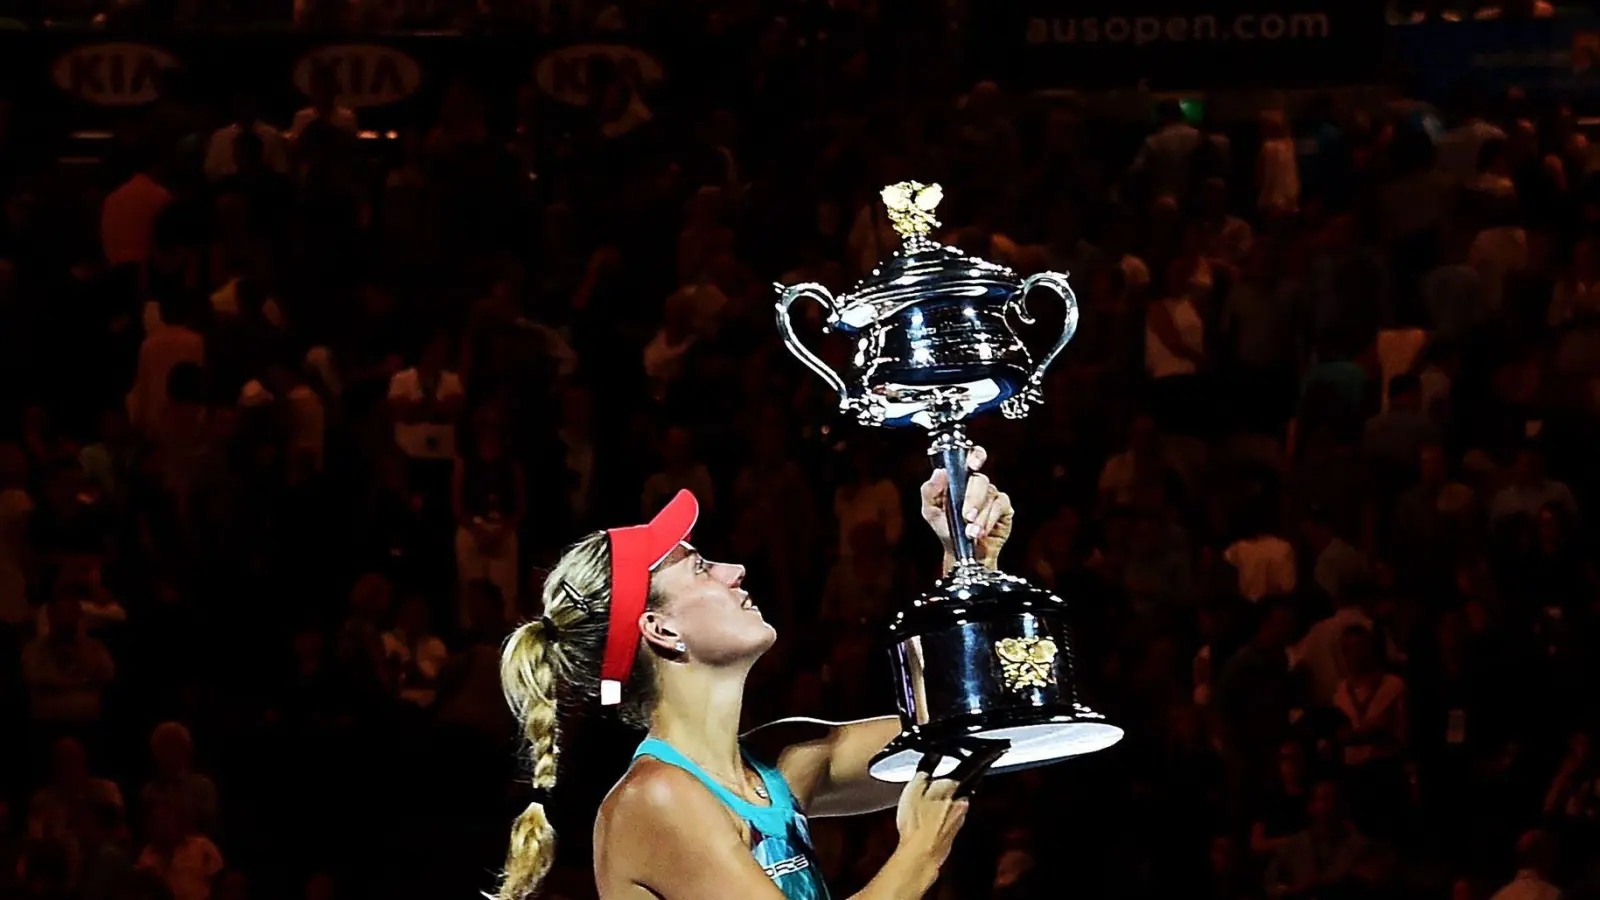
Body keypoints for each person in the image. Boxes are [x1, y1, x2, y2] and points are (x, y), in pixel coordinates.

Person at [493, 449, 1016, 899]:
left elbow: (956, 722)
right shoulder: (655, 799)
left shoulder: (783, 764)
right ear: (660, 628)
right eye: (699, 567)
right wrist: (921, 853)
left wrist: (967, 559)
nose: (734, 570)